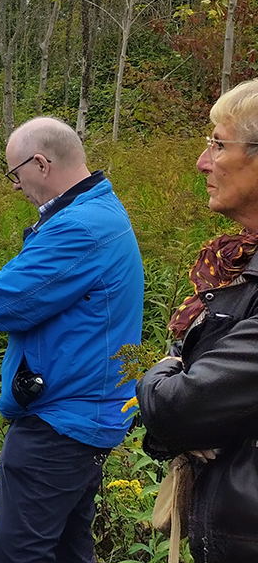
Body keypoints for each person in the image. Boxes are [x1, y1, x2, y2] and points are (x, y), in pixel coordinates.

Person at [0, 117, 143, 563]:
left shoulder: (77, 228)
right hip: (87, 413)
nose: (15, 186)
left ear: (41, 163)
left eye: (15, 173)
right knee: (67, 547)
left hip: (60, 424)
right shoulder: (100, 210)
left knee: (19, 554)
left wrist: (6, 276)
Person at [137, 79, 258, 563]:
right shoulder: (238, 262)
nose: (202, 162)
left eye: (217, 144)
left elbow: (177, 406)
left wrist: (167, 368)